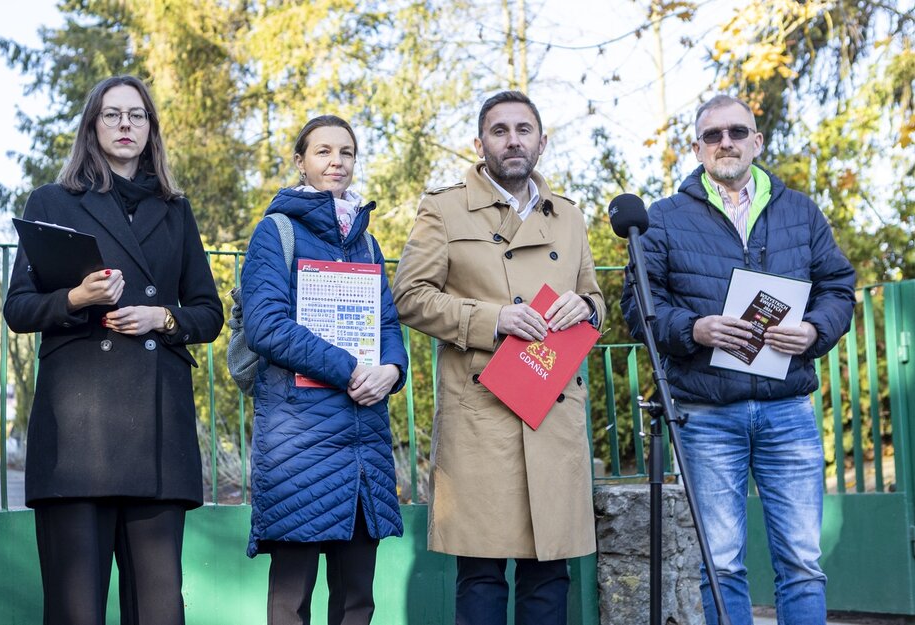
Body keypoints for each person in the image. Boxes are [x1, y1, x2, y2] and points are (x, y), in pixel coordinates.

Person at [621, 94, 855, 625]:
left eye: (736, 132)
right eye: (712, 135)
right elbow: (638, 302)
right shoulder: (663, 218)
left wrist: (816, 329)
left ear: (757, 140)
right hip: (706, 414)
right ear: (698, 147)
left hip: (787, 409)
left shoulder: (800, 210)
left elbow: (839, 286)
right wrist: (694, 328)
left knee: (802, 561)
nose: (725, 142)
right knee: (720, 564)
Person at [2, 75, 223, 625]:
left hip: (157, 432)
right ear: (92, 127)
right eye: (112, 115)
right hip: (78, 435)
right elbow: (18, 309)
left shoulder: (176, 209)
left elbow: (210, 312)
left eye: (137, 116)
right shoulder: (53, 201)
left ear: (151, 129)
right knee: (76, 612)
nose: (125, 125)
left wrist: (163, 317)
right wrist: (77, 296)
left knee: (159, 612)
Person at [392, 90, 604, 625]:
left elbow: (596, 299)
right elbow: (410, 297)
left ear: (542, 141)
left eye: (524, 130)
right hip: (483, 410)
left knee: (548, 575)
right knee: (482, 576)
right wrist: (493, 320)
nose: (513, 140)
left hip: (551, 411)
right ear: (480, 142)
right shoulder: (442, 208)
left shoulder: (571, 219)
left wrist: (587, 306)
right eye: (500, 130)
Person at [241, 115, 408, 625]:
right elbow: (265, 326)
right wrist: (352, 369)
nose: (336, 162)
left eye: (347, 152)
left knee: (357, 601)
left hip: (364, 445)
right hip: (299, 444)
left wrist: (393, 370)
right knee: (291, 604)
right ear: (301, 161)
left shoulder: (367, 242)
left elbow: (388, 324)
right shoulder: (276, 232)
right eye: (323, 152)